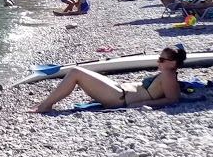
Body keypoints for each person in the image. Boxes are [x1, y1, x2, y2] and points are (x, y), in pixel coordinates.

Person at [32, 46, 186, 113]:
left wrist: (141, 104)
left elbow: (172, 99)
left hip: (120, 98)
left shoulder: (168, 74)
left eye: (161, 59)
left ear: (172, 63)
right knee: (82, 72)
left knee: (75, 72)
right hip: (120, 91)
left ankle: (45, 106)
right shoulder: (168, 73)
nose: (158, 61)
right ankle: (46, 103)